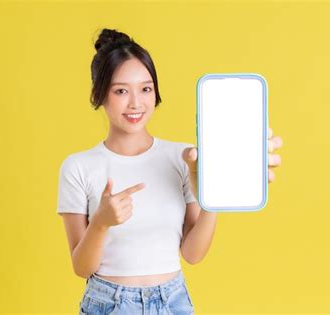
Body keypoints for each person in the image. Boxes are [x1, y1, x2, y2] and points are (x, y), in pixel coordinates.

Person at [56, 28, 283, 315]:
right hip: (110, 304)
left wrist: (211, 196)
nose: (136, 103)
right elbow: (81, 268)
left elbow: (192, 254)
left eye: (146, 88)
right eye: (121, 90)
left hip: (173, 301)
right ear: (99, 94)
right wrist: (101, 222)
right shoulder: (78, 167)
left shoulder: (183, 158)